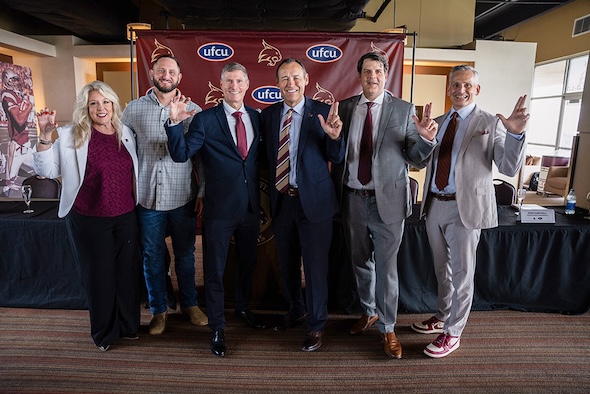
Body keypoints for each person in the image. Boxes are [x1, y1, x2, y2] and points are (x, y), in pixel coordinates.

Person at [412, 65, 528, 358]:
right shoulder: (438, 121)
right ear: (449, 88)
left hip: (466, 209)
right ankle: (443, 315)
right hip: (434, 204)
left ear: (477, 90)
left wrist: (515, 136)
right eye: (455, 85)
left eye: (467, 85)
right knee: (442, 270)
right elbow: (421, 163)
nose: (460, 90)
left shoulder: (490, 122)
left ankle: (453, 333)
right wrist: (424, 139)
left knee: (463, 273)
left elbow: (508, 167)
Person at [332, 52, 438, 359]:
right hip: (352, 200)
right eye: (367, 71)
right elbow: (337, 149)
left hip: (387, 203)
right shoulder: (347, 108)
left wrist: (426, 140)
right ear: (359, 75)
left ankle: (388, 327)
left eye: (378, 71)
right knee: (360, 262)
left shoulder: (403, 110)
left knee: (388, 270)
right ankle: (369, 311)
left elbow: (415, 157)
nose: (372, 77)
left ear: (386, 74)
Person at [165, 62, 265, 358]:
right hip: (219, 210)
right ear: (221, 85)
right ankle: (218, 326)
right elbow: (181, 153)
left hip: (250, 208)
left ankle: (243, 310)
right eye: (229, 81)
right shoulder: (205, 120)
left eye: (239, 81)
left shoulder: (258, 119)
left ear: (247, 84)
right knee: (215, 271)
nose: (234, 86)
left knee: (247, 264)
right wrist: (173, 124)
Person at [33, 81, 140, 351]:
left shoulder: (125, 131)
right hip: (90, 217)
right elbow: (47, 170)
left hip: (126, 215)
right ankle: (104, 333)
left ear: (114, 103)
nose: (100, 108)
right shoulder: (71, 135)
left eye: (105, 102)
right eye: (94, 103)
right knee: (100, 276)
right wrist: (45, 137)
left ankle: (129, 326)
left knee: (126, 273)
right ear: (86, 107)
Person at [261, 58, 345, 352]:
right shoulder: (269, 115)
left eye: (296, 77)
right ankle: (296, 310)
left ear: (307, 79)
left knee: (315, 267)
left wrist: (335, 138)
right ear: (277, 83)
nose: (291, 83)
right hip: (283, 202)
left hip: (316, 206)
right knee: (287, 264)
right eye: (284, 78)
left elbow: (335, 156)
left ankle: (316, 325)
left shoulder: (322, 112)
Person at [121, 55, 208, 336]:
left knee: (185, 255)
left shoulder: (193, 110)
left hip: (182, 197)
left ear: (180, 76)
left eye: (172, 71)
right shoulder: (132, 110)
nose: (166, 75)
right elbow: (122, 154)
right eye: (161, 71)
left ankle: (190, 305)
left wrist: (202, 191)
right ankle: (159, 310)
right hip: (146, 199)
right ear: (151, 73)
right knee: (152, 257)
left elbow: (200, 159)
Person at [2, 68, 33, 194]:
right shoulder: (7, 95)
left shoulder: (15, 94)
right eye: (12, 79)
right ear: (5, 79)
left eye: (15, 79)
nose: (15, 82)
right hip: (18, 145)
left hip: (25, 144)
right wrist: (29, 107)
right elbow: (19, 120)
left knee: (44, 170)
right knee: (10, 188)